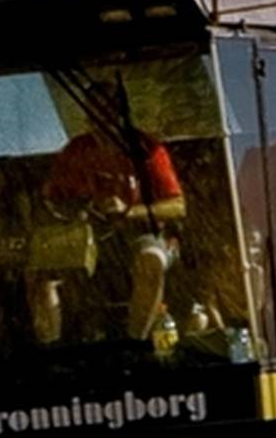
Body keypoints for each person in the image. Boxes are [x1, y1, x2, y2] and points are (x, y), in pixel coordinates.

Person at [32, 95, 185, 345]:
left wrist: (128, 210)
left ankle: (137, 346)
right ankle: (52, 351)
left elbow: (178, 206)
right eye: (94, 115)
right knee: (40, 270)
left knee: (151, 261)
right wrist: (77, 209)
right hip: (85, 235)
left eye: (107, 113)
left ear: (122, 115)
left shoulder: (146, 149)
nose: (100, 121)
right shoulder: (76, 152)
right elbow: (50, 199)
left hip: (140, 233)